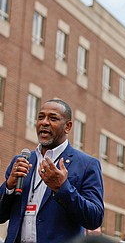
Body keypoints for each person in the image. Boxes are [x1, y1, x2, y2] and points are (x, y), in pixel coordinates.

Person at [0, 99, 104, 242]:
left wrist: (62, 188)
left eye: (53, 118)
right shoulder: (22, 161)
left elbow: (94, 219)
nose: (44, 122)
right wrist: (9, 187)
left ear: (68, 127)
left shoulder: (86, 165)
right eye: (41, 117)